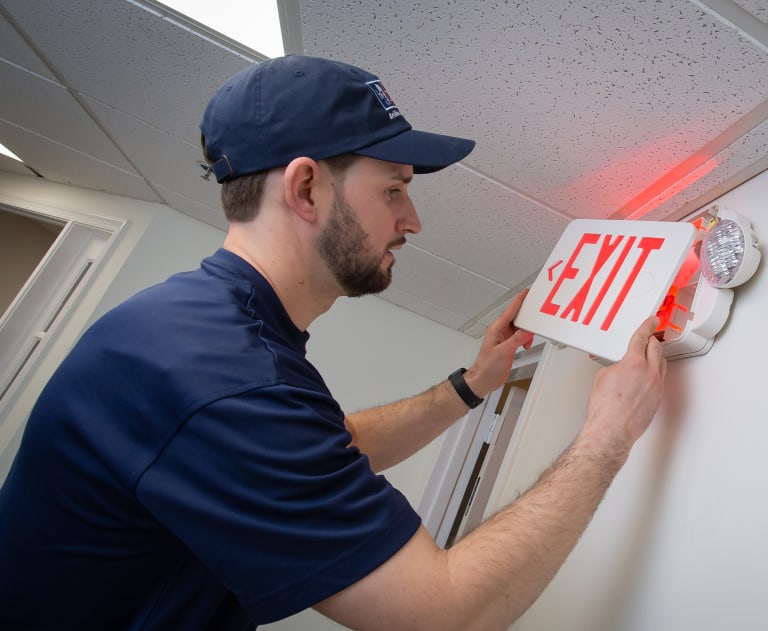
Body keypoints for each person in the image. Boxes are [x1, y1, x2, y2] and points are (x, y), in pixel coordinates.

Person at [0, 55, 666, 630]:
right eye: (395, 189)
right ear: (306, 187)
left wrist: (475, 384)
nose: (414, 219)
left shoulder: (201, 330)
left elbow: (325, 449)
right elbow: (444, 613)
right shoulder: (227, 376)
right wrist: (608, 434)